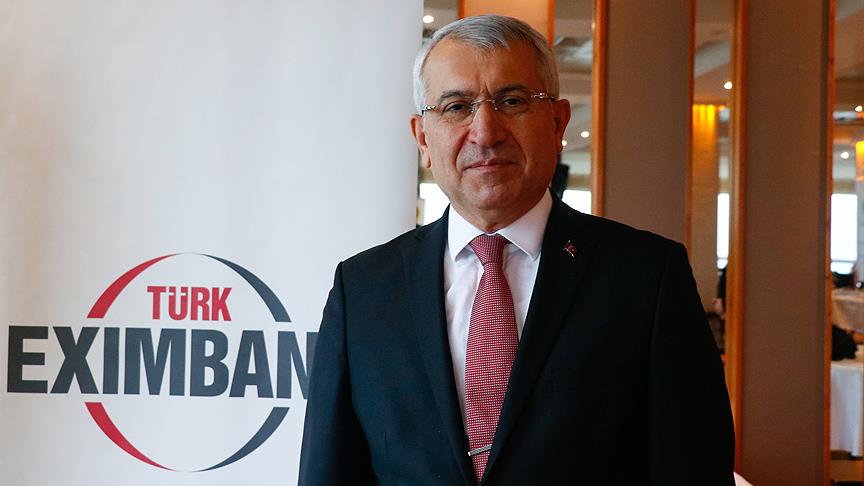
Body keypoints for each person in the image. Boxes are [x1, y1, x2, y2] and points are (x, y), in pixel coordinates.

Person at [299, 14, 734, 485]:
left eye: (512, 101)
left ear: (557, 122)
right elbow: (330, 470)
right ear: (423, 138)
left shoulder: (648, 278)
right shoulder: (362, 290)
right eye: (456, 107)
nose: (485, 132)